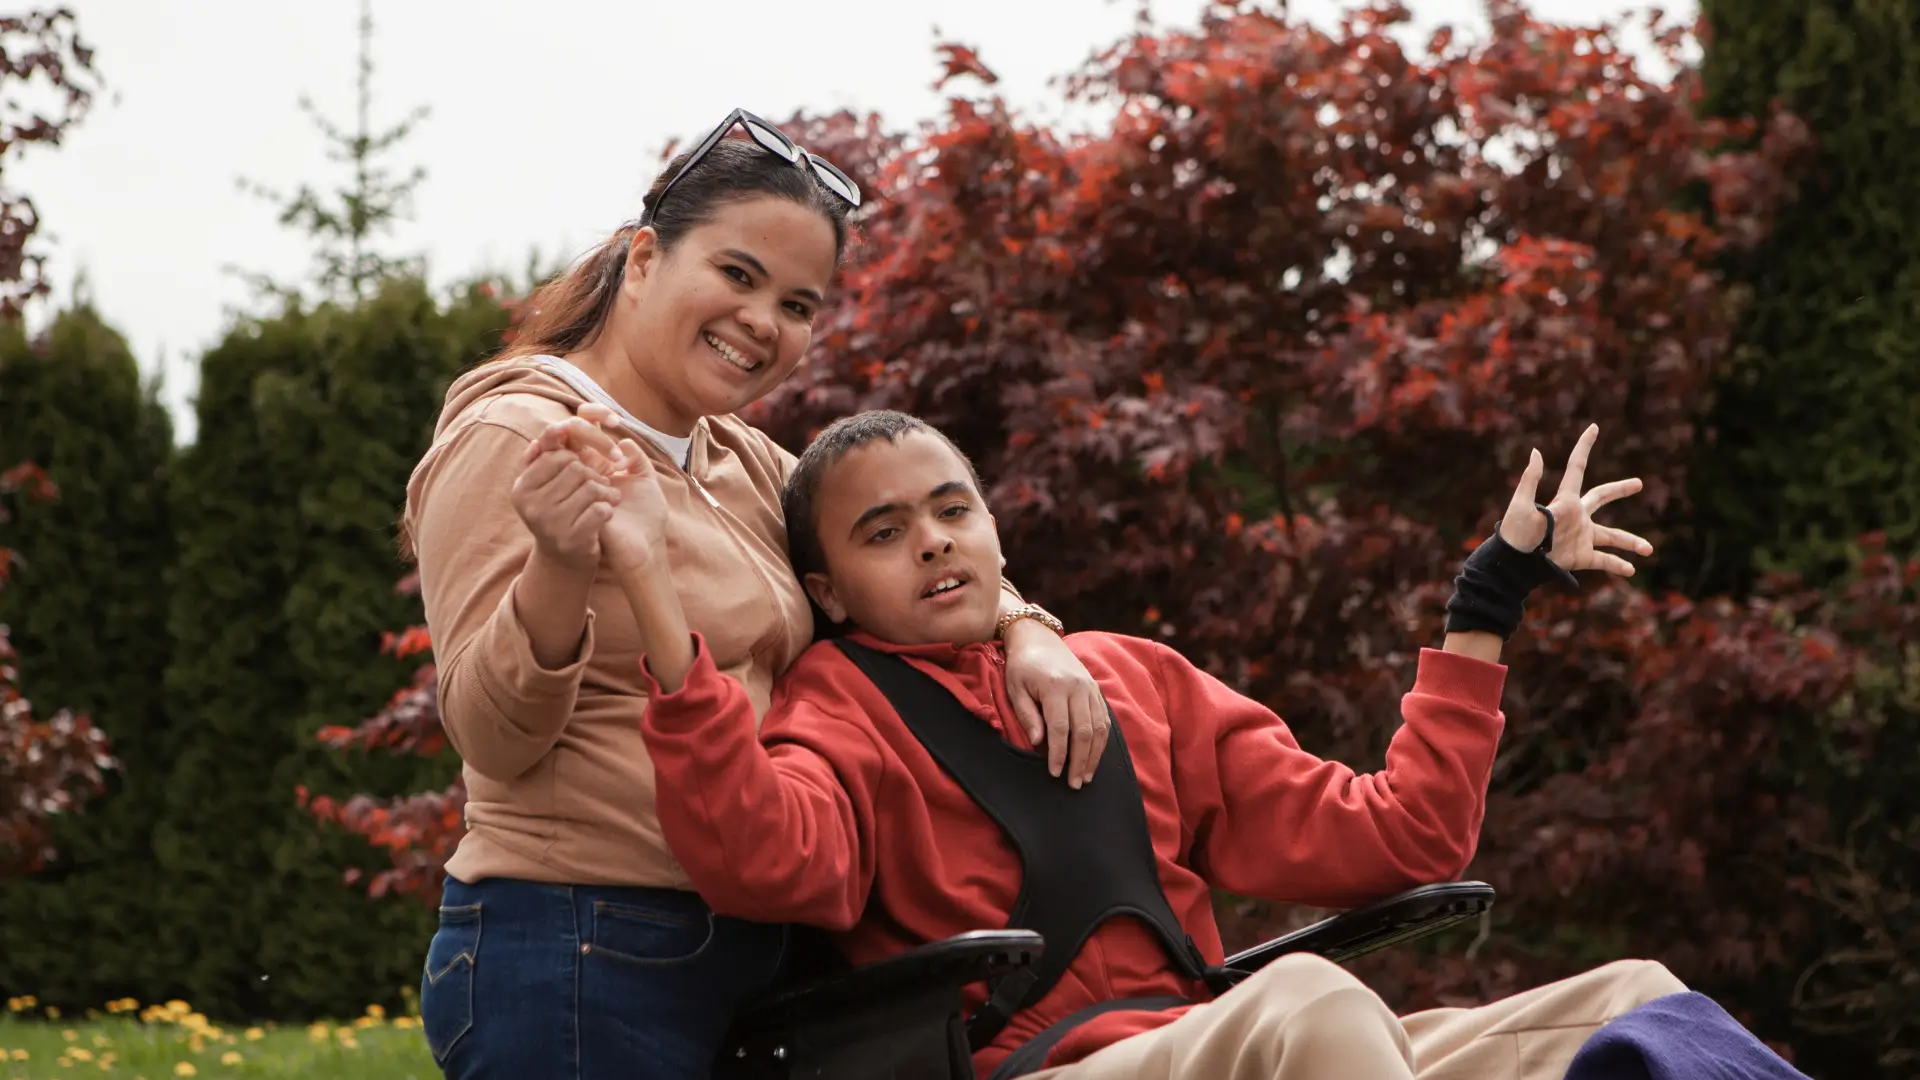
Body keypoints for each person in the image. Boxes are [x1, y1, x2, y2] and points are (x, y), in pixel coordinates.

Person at [585, 407, 1745, 1080]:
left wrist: (1488, 600)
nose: (934, 545)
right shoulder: (835, 709)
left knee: (1634, 1007)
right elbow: (764, 859)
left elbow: (1405, 834)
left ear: (993, 527)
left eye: (953, 511)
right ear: (830, 592)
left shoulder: (1130, 675)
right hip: (1056, 1068)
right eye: (885, 533)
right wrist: (645, 581)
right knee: (1308, 1000)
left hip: (1217, 1044)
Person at [404, 111, 1112, 1080]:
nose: (762, 323)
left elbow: (905, 549)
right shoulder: (517, 439)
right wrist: (559, 566)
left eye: (797, 303)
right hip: (581, 949)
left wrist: (1026, 627)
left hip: (766, 953)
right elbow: (491, 737)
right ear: (644, 259)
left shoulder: (738, 459)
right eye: (737, 276)